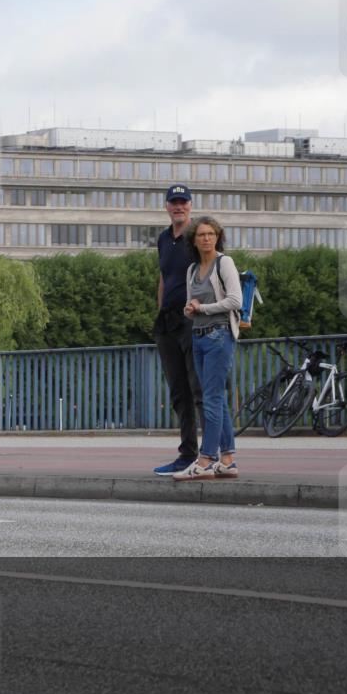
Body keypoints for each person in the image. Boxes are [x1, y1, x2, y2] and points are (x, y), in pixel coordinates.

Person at [173, 216, 243, 482]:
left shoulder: (224, 263)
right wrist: (190, 309)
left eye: (211, 234)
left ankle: (205, 460)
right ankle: (227, 460)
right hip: (199, 336)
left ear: (218, 237)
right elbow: (191, 305)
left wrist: (202, 308)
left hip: (219, 335)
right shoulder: (192, 269)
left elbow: (235, 300)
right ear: (194, 240)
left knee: (211, 399)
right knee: (216, 399)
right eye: (201, 234)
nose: (206, 239)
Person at [153, 184, 203, 476]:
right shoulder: (162, 238)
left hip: (193, 319)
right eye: (174, 202)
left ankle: (211, 455)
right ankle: (187, 453)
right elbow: (164, 277)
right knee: (178, 391)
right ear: (167, 206)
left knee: (199, 388)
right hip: (168, 321)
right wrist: (160, 311)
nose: (178, 207)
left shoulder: (198, 236)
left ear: (191, 205)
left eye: (183, 202)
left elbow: (212, 271)